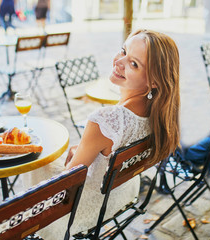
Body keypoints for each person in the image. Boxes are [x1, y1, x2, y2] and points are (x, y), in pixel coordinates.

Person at [23, 29, 180, 239]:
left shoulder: (105, 120)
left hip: (84, 211)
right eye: (123, 51)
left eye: (134, 64)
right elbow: (113, 146)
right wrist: (85, 149)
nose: (119, 62)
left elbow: (66, 184)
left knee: (34, 159)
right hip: (122, 196)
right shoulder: (160, 114)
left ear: (154, 81)